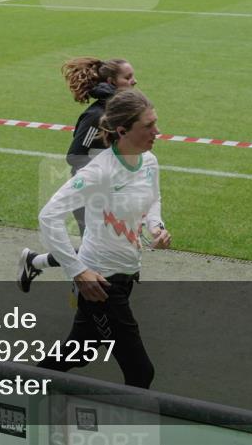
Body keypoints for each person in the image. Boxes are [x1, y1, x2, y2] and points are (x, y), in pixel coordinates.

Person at [33, 89, 170, 388]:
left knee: (78, 352)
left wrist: (156, 227)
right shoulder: (99, 171)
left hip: (126, 274)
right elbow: (49, 215)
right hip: (100, 283)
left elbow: (153, 198)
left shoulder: (149, 161)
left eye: (155, 123)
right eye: (148, 125)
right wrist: (77, 271)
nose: (157, 131)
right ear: (122, 131)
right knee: (140, 372)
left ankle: (19, 388)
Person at [17, 58, 136, 292]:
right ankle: (81, 296)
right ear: (112, 81)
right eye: (128, 77)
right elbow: (75, 155)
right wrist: (100, 180)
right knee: (97, 250)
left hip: (112, 193)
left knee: (105, 246)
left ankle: (34, 262)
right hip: (89, 194)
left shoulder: (121, 113)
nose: (134, 81)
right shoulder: (96, 115)